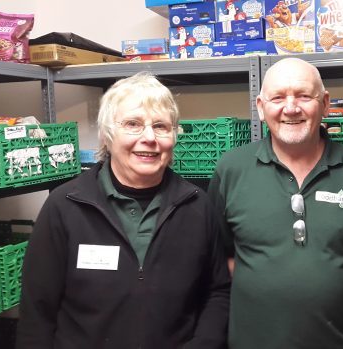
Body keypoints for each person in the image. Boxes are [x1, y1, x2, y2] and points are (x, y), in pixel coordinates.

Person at [16, 72, 230, 348]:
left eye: (161, 126)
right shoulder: (65, 205)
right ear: (107, 134)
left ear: (174, 137)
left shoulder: (197, 205)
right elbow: (37, 311)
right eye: (133, 124)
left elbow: (217, 291)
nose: (149, 138)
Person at [208, 58, 343, 349]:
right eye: (278, 97)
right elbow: (224, 259)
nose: (291, 108)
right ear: (260, 106)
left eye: (304, 96)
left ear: (324, 103)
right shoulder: (231, 169)